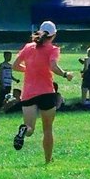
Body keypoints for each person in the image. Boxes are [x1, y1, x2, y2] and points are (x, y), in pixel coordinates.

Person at [11, 21, 75, 164]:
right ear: (54, 35)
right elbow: (53, 66)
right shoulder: (52, 49)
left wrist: (28, 70)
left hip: (28, 93)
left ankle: (23, 130)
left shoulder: (28, 47)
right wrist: (65, 74)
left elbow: (15, 66)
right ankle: (48, 159)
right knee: (47, 129)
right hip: (46, 92)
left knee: (30, 128)